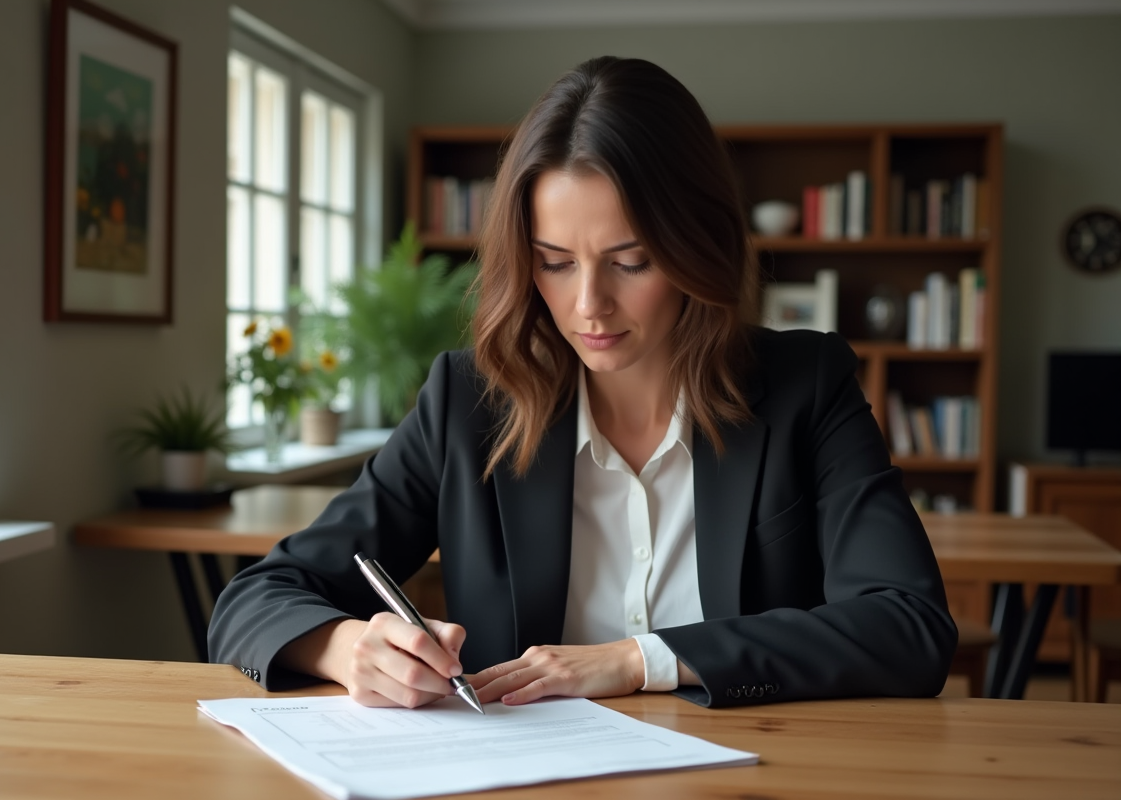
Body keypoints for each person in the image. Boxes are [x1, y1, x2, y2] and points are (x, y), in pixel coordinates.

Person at [208, 56, 956, 709]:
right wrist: (348, 648)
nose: (589, 304)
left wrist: (639, 661)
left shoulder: (806, 385)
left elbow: (910, 626)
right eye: (556, 262)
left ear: (700, 247)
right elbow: (253, 601)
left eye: (631, 262)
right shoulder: (468, 404)